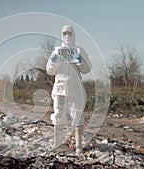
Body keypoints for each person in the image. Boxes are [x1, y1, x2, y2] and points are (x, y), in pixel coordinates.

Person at [46, 25, 91, 155]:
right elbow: (49, 70)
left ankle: (78, 146)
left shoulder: (79, 50)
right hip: (60, 89)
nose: (67, 36)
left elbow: (87, 69)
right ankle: (57, 144)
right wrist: (54, 61)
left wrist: (79, 60)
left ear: (74, 35)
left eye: (69, 34)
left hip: (75, 89)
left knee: (77, 116)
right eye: (64, 33)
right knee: (59, 115)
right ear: (61, 35)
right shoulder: (57, 51)